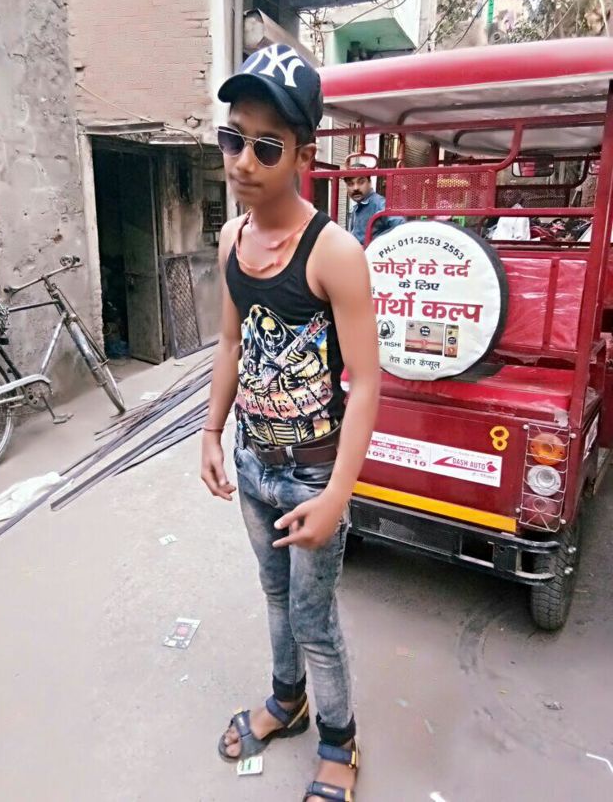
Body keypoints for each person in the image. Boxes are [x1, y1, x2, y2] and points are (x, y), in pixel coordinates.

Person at [201, 43, 380, 802]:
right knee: (274, 596)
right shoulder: (230, 240)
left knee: (314, 615)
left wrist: (338, 495)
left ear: (304, 155)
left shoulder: (334, 253)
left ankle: (340, 741)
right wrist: (211, 432)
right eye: (232, 138)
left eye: (266, 146)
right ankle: (287, 699)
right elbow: (231, 343)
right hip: (253, 463)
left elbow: (366, 384)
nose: (243, 161)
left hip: (314, 471)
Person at [344, 164, 405, 245]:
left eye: (361, 182)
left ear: (370, 182)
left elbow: (401, 227)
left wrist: (380, 246)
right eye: (350, 184)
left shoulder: (380, 203)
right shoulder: (358, 206)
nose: (355, 188)